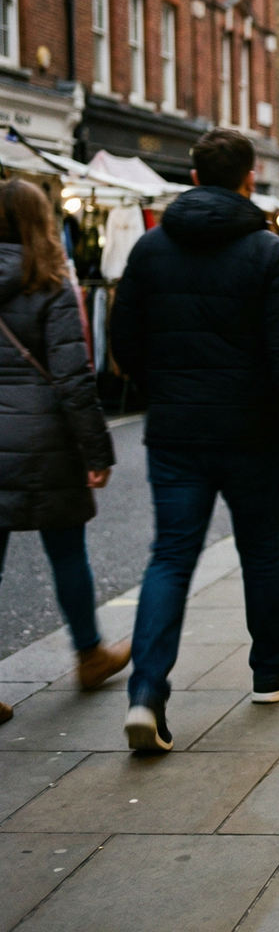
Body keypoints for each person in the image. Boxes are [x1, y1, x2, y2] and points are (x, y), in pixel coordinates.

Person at [111, 129, 279, 753]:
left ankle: (147, 694)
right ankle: (269, 670)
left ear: (193, 173)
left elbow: (123, 340)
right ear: (249, 177)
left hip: (176, 432)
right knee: (260, 552)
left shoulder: (152, 248)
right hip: (250, 432)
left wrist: (165, 386)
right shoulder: (268, 251)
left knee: (171, 556)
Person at [0, 179, 130, 724]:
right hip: (45, 441)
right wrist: (97, 450)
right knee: (66, 552)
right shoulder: (50, 283)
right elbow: (74, 378)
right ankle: (89, 654)